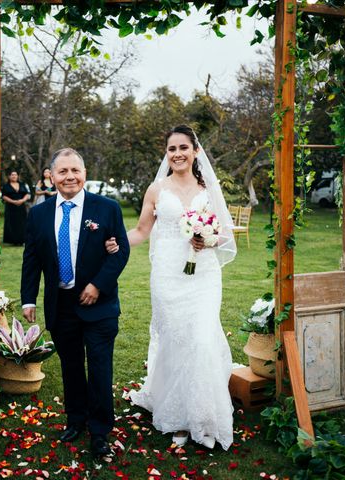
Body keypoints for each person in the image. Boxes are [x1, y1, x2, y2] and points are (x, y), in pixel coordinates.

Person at [108, 125, 237, 450]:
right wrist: (114, 241)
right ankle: (177, 417)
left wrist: (206, 239)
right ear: (166, 154)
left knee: (201, 339)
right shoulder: (156, 189)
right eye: (171, 149)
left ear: (195, 151)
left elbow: (223, 235)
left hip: (203, 275)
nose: (177, 153)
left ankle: (205, 418)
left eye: (183, 147)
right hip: (167, 276)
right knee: (175, 340)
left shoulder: (209, 188)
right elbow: (140, 231)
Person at [20, 148, 130, 457]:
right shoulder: (38, 213)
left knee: (99, 368)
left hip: (100, 304)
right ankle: (76, 419)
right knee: (70, 366)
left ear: (84, 173)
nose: (70, 176)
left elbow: (120, 252)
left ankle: (99, 431)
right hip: (62, 304)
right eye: (63, 171)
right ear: (51, 176)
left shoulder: (107, 208)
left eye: (75, 170)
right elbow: (31, 259)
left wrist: (98, 285)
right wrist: (29, 298)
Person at [1, 169, 31, 245]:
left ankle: (22, 240)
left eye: (15, 175)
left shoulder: (22, 184)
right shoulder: (6, 186)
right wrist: (13, 201)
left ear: (18, 176)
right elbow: (4, 196)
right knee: (12, 223)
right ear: (9, 176)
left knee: (22, 223)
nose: (14, 176)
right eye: (12, 175)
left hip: (21, 206)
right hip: (11, 207)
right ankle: (13, 241)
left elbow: (27, 194)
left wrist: (22, 200)